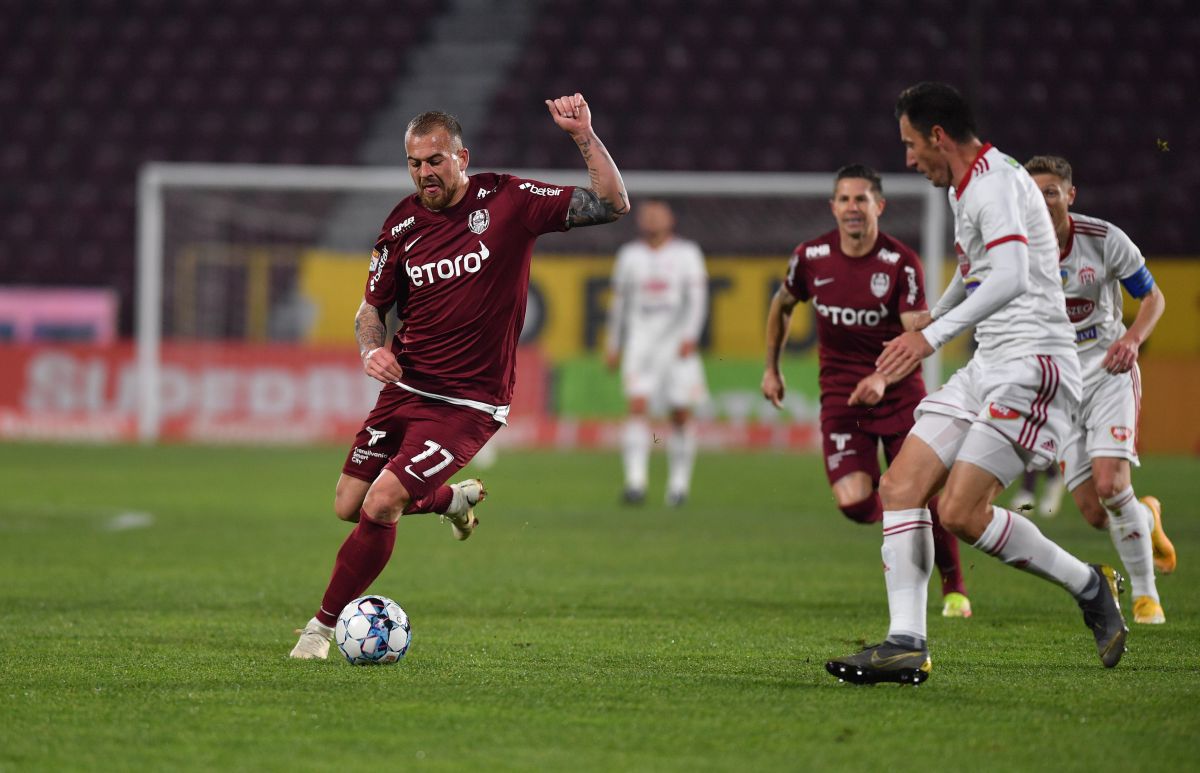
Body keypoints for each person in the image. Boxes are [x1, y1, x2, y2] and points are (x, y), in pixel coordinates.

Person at [290, 93, 629, 659]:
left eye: (436, 160)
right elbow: (369, 309)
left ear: (461, 156)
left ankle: (319, 630)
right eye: (415, 163)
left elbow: (612, 204)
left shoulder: (511, 200)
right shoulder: (401, 224)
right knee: (348, 503)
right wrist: (370, 351)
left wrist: (582, 137)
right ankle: (450, 501)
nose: (426, 173)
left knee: (381, 505)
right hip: (405, 389)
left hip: (468, 402)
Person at [825, 82, 1128, 685]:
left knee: (961, 512)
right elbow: (976, 272)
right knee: (901, 485)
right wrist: (934, 315)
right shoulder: (974, 182)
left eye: (912, 145)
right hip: (990, 360)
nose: (909, 160)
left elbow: (1012, 276)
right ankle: (905, 644)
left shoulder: (991, 185)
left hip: (1034, 362)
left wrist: (928, 340)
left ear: (939, 136)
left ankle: (1089, 585)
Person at [761, 164, 971, 618]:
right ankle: (901, 517)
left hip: (898, 395)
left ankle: (954, 584)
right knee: (856, 503)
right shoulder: (810, 256)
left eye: (861, 199)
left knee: (921, 493)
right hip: (840, 396)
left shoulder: (901, 263)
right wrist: (771, 369)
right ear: (833, 207)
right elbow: (782, 306)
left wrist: (883, 376)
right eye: (844, 199)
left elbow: (918, 336)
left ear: (879, 205)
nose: (852, 207)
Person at [1024, 154, 1176, 624]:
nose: (1042, 200)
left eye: (1051, 191)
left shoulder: (1103, 239)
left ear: (1070, 195)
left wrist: (1132, 339)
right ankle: (1145, 517)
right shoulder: (1017, 248)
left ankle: (1146, 597)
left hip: (1109, 370)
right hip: (1059, 386)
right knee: (1094, 512)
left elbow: (1152, 296)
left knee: (1112, 485)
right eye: (1033, 192)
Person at [605, 200, 708, 507]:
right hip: (641, 343)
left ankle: (678, 486)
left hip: (676, 343)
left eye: (658, 213)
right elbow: (619, 305)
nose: (651, 219)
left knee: (680, 412)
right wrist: (614, 344)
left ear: (671, 218)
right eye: (646, 214)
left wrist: (691, 334)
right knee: (637, 406)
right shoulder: (629, 255)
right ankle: (635, 483)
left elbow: (698, 299)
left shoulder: (687, 253)